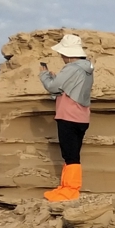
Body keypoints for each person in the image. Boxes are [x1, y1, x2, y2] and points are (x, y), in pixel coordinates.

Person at [39, 33, 94, 202]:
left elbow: (52, 87)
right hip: (82, 117)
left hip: (68, 116)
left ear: (69, 54)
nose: (62, 57)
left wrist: (45, 75)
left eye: (62, 54)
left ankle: (70, 191)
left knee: (70, 155)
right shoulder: (87, 69)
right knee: (72, 154)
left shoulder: (71, 68)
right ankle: (65, 188)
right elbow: (69, 89)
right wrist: (58, 82)